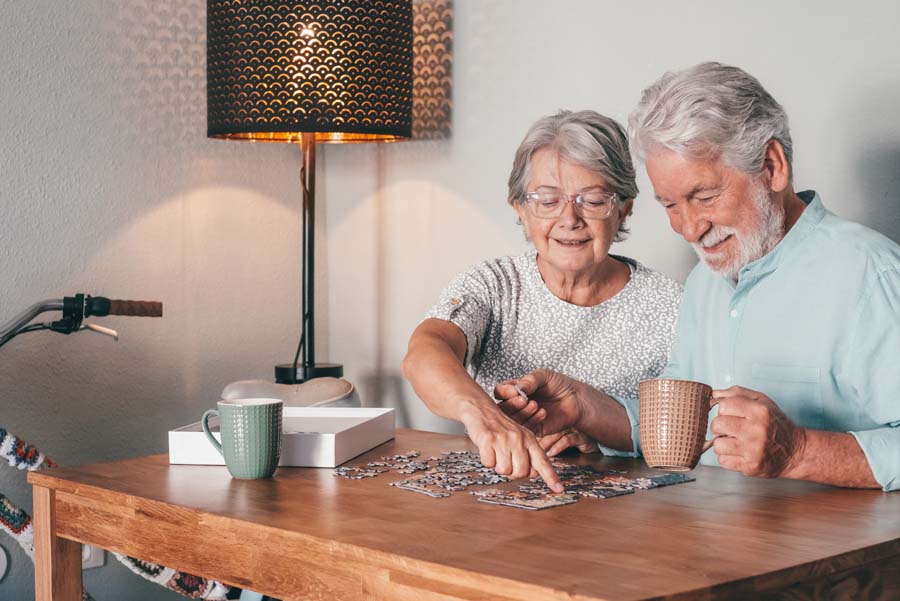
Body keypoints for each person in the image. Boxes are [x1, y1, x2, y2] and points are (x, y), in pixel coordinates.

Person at [498, 62, 900, 491]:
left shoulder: (871, 276)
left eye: (704, 196)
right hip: (712, 546)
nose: (689, 229)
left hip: (838, 557)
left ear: (771, 165)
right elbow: (681, 431)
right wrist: (583, 407)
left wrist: (800, 450)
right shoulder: (705, 281)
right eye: (670, 205)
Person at [402, 110, 682, 492]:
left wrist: (602, 441)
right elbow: (425, 352)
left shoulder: (673, 305)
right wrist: (486, 418)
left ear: (624, 207)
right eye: (547, 200)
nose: (569, 219)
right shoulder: (494, 284)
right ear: (521, 208)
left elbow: (691, 441)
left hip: (630, 525)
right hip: (497, 505)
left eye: (593, 200)